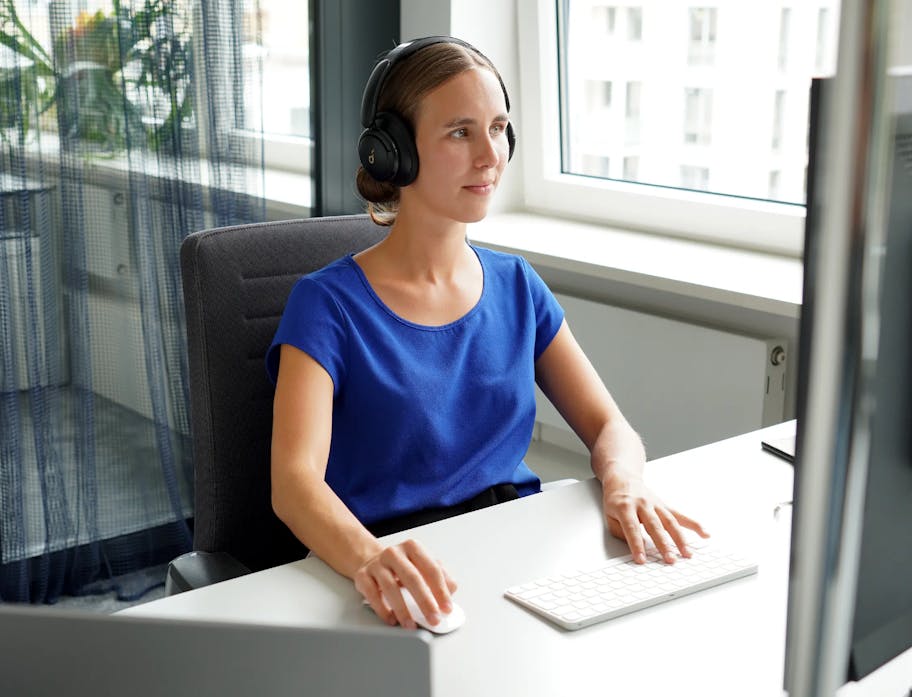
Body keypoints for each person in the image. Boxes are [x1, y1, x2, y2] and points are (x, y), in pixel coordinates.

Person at [266, 36, 708, 631]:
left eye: (498, 128)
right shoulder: (325, 305)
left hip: (510, 555)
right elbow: (294, 486)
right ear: (392, 152)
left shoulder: (517, 285)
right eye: (460, 132)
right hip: (385, 571)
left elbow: (609, 427)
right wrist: (370, 555)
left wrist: (624, 483)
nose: (490, 156)